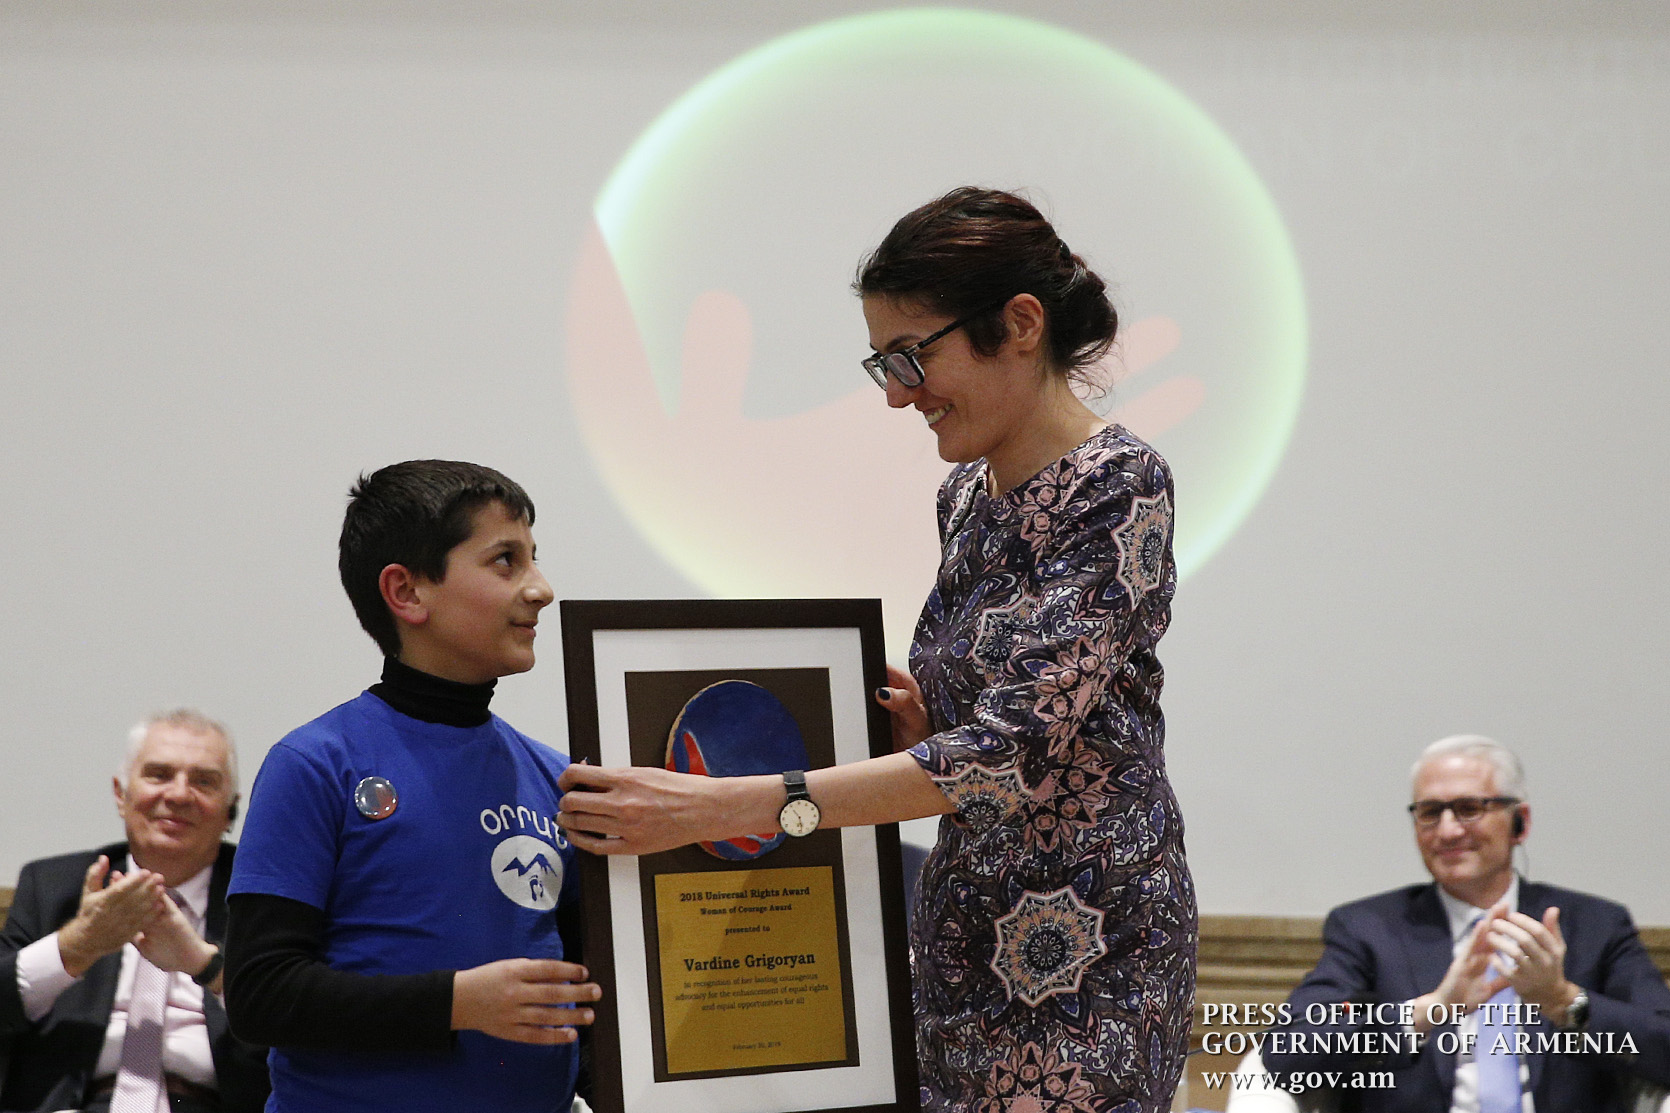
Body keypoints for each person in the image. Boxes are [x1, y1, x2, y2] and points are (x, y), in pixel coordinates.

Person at [556, 187, 1197, 1112]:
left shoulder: (1119, 481)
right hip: (963, 938)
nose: (899, 392)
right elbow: (1006, 730)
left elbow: (1010, 756)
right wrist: (923, 726)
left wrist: (722, 806)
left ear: (1021, 324)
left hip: (1087, 950)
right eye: (883, 364)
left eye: (912, 355)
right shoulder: (967, 497)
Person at [223, 460, 601, 1113]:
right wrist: (455, 1003)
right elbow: (260, 994)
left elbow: (589, 1003)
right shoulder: (315, 764)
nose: (541, 589)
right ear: (406, 592)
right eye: (505, 561)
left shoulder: (555, 776)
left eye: (534, 558)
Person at [1263, 734, 1670, 1112]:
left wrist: (1563, 1001)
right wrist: (1431, 1010)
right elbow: (1286, 1052)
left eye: (1470, 809)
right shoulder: (1368, 929)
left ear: (1521, 822)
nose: (1448, 830)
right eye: (1430, 813)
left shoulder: (1596, 926)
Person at [0, 710, 270, 1113]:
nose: (179, 795)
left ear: (231, 808)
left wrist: (206, 967)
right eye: (159, 775)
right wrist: (77, 945)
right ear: (120, 794)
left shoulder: (263, 900)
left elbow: (299, 1025)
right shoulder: (53, 886)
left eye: (204, 781)